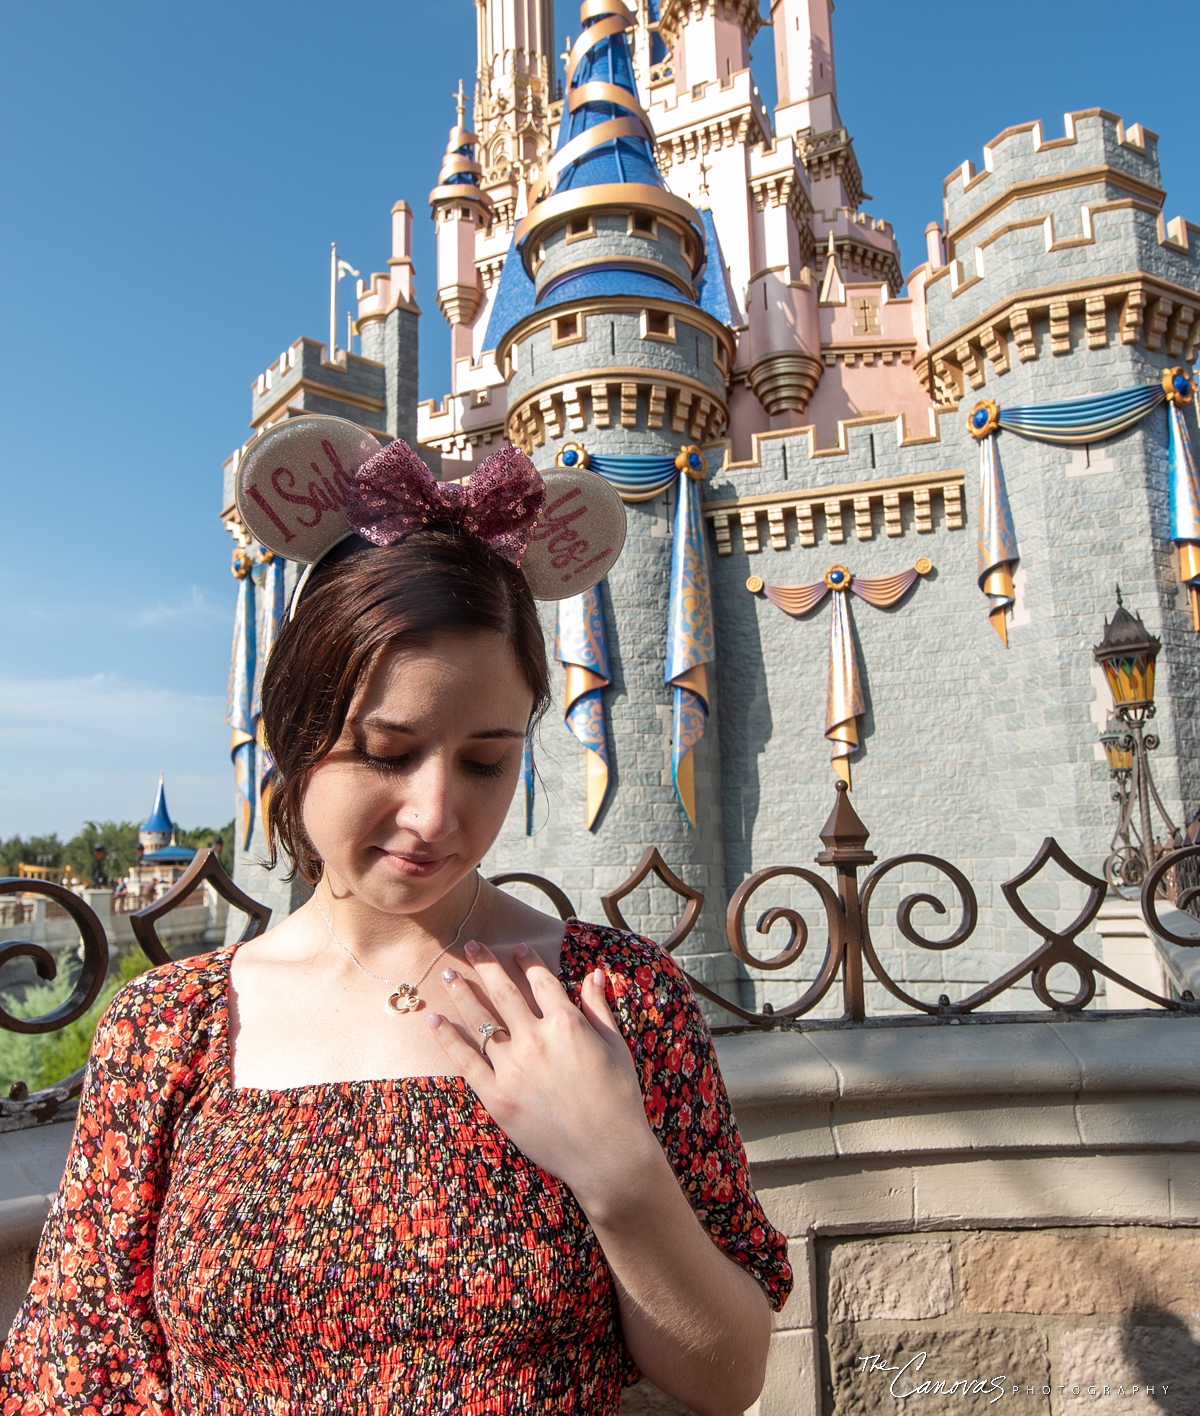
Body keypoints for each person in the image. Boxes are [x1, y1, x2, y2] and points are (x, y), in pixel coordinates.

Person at [2, 429, 790, 1415]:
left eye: (484, 760)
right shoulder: (171, 1031)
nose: (436, 814)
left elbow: (726, 1375)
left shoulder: (615, 1001)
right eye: (387, 751)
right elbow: (74, 1366)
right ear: (294, 732)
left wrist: (618, 1172)